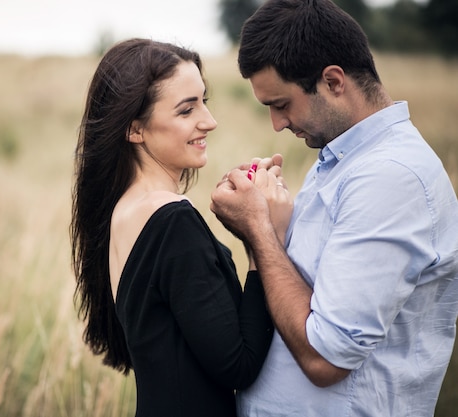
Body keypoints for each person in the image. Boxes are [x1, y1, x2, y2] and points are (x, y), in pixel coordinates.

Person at [210, 1, 458, 416]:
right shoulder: (344, 160)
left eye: (282, 104)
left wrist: (259, 231)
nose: (276, 123)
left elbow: (326, 360)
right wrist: (269, 221)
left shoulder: (389, 177)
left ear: (333, 81)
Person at [69, 38, 287, 416]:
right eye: (187, 110)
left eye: (204, 100)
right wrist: (262, 237)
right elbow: (239, 365)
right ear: (135, 130)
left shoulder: (123, 210)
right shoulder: (172, 221)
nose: (209, 120)